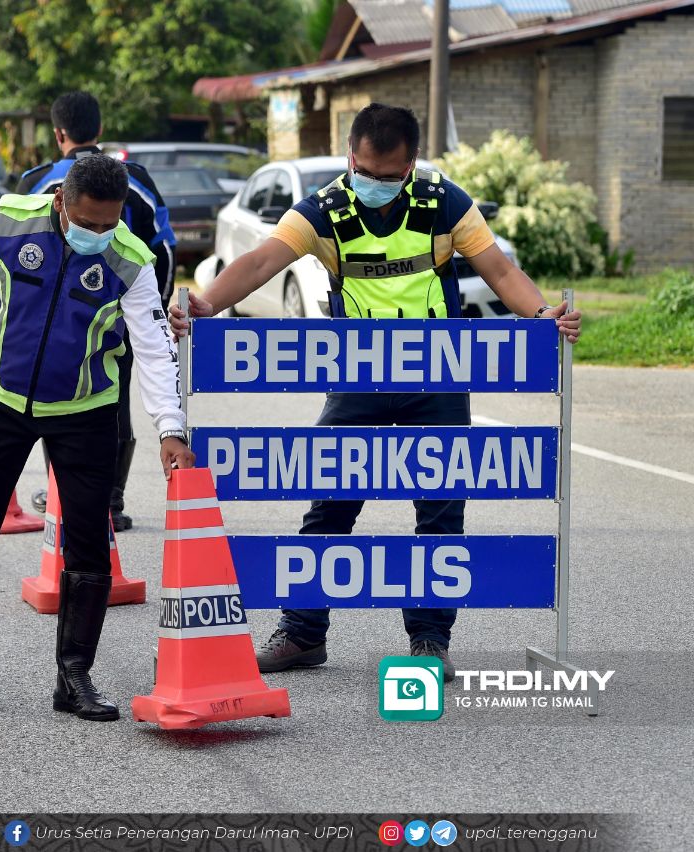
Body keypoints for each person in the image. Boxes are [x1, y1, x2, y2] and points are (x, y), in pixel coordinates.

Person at [169, 103, 582, 682]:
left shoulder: (445, 203)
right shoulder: (325, 210)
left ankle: (430, 642)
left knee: (440, 512)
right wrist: (208, 304)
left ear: (411, 164)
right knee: (329, 504)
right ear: (349, 159)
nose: (376, 185)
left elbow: (499, 271)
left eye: (389, 176)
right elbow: (264, 259)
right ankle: (302, 634)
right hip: (357, 379)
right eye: (366, 171)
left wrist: (544, 315)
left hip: (438, 378)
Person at [0, 154, 194, 721]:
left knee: (90, 547)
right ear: (61, 202)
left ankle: (74, 677)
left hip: (85, 411)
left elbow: (152, 348)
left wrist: (171, 427)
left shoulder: (131, 259)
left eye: (109, 223)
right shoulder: (5, 222)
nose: (100, 233)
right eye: (88, 222)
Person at [18, 91, 177, 532]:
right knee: (114, 404)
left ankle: (62, 498)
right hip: (120, 321)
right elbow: (164, 250)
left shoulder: (34, 180)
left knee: (54, 405)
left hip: (55, 328)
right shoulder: (135, 178)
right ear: (100, 129)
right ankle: (111, 502)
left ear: (58, 134)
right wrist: (153, 312)